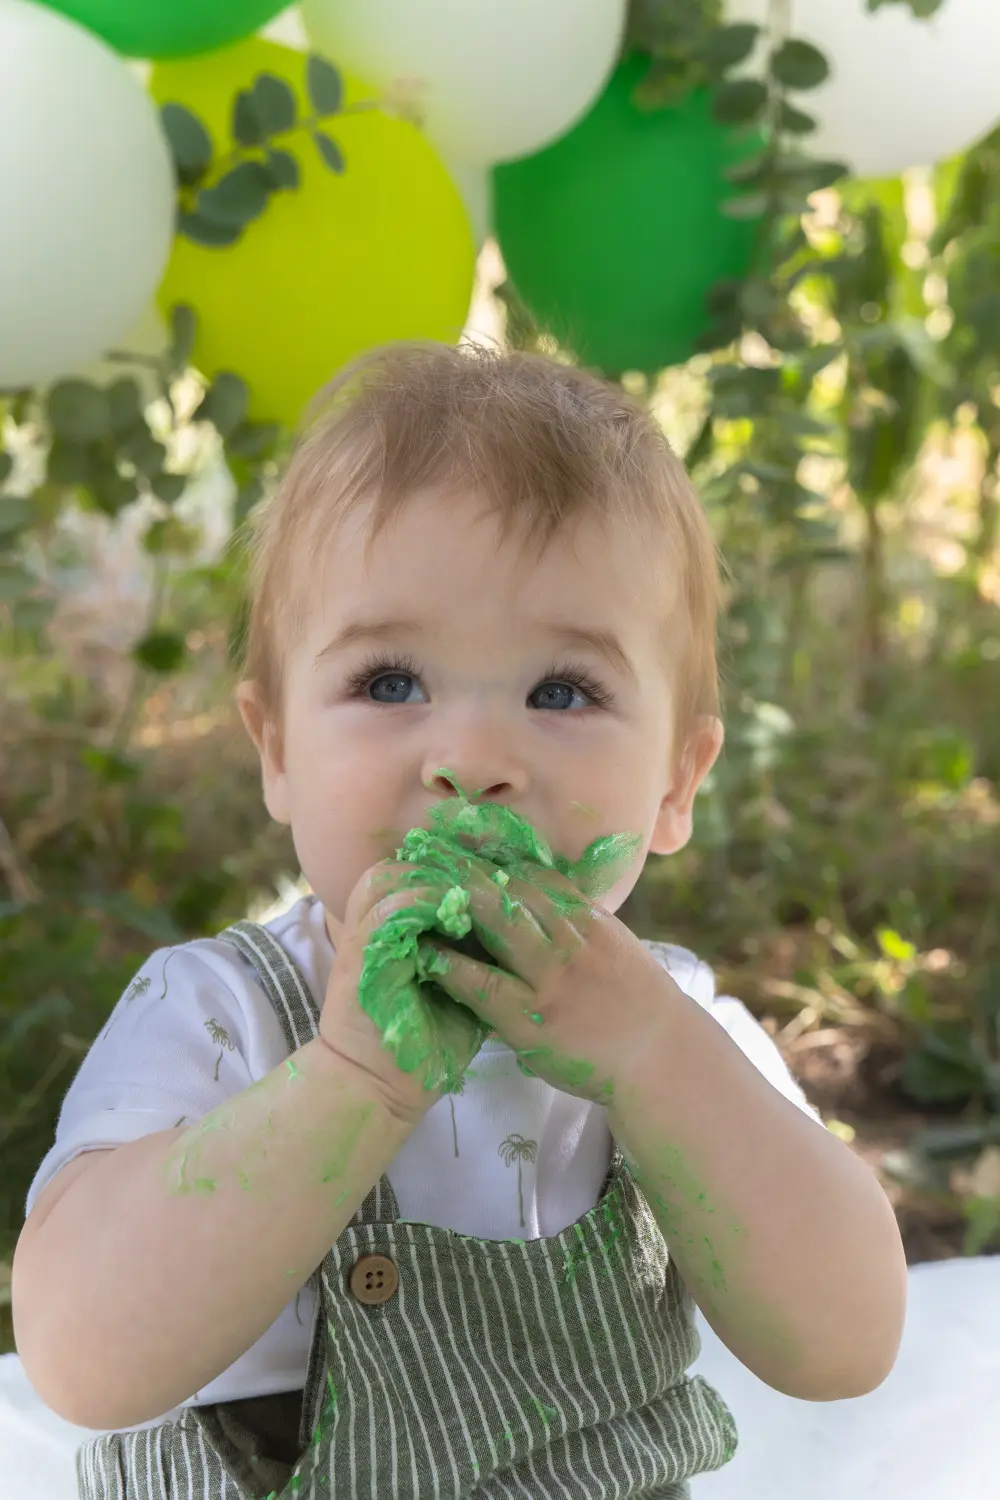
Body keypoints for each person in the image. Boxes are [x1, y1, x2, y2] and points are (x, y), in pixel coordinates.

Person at [12, 341, 908, 1500]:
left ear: (677, 784)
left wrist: (651, 1063)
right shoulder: (221, 1016)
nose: (474, 761)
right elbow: (82, 1358)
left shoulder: (677, 1028)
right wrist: (348, 1083)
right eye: (390, 682)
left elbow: (844, 1346)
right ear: (276, 748)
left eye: (562, 692)